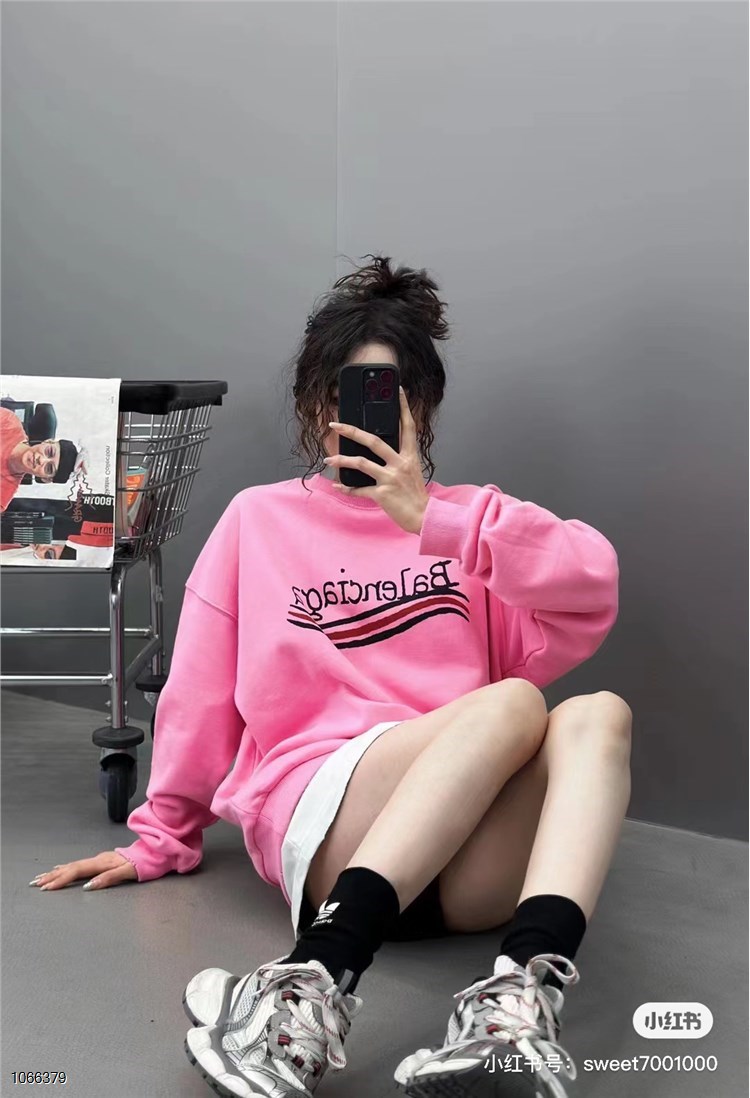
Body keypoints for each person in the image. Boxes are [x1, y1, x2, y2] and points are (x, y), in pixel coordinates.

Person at [29, 255, 630, 1098]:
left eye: (391, 397)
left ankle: (517, 1008)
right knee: (513, 704)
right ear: (316, 407)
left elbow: (594, 582)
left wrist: (436, 520)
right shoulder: (260, 520)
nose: (365, 418)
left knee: (598, 712)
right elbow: (200, 695)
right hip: (329, 830)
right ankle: (311, 979)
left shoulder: (469, 525)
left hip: (463, 862)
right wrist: (163, 836)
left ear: (424, 408)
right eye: (347, 396)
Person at [0, 405, 80, 512]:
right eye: (49, 452)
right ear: (48, 441)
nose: (41, 460)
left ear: (45, 479)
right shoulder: (8, 422)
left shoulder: (3, 496)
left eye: (48, 468)